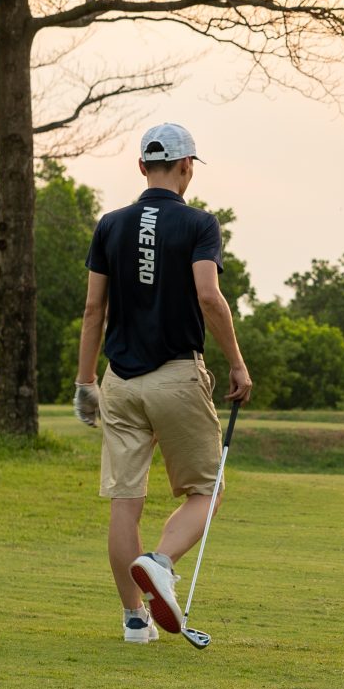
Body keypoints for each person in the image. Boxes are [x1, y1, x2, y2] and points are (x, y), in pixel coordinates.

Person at [74, 122, 252, 649]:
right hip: (176, 376)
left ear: (141, 167)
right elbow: (209, 296)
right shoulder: (199, 223)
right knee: (207, 489)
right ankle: (159, 561)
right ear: (185, 166)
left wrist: (86, 382)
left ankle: (134, 621)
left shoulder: (110, 224)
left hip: (120, 383)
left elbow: (92, 310)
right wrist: (238, 364)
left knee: (124, 502)